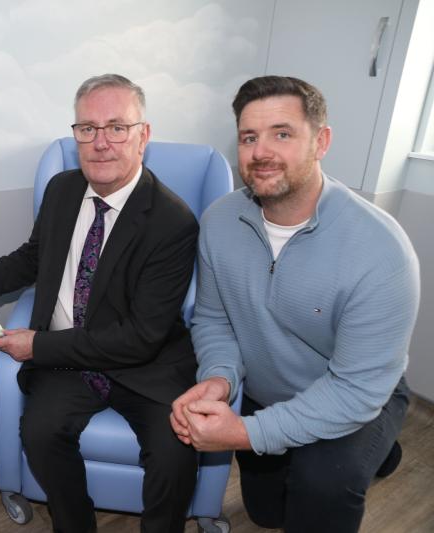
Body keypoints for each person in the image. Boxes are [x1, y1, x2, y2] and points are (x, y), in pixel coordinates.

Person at [0, 74, 199, 533]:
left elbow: (141, 338)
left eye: (116, 127)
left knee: (173, 452)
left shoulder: (173, 221)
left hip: (145, 365)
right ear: (76, 134)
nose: (100, 143)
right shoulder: (62, 190)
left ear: (143, 135)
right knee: (40, 432)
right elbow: (33, 257)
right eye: (87, 128)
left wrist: (37, 346)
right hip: (70, 360)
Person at [170, 76, 420, 533]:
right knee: (267, 514)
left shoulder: (382, 252)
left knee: (322, 485)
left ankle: (376, 447)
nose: (261, 152)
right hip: (267, 388)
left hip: (355, 392)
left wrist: (246, 433)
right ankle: (377, 453)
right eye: (249, 137)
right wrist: (220, 378)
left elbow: (355, 389)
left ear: (320, 142)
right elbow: (213, 319)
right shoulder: (220, 221)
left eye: (282, 134)